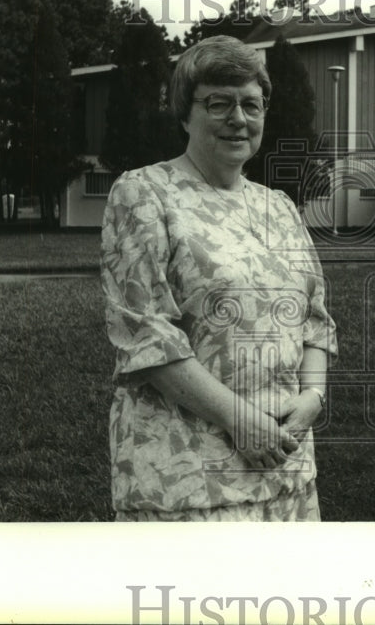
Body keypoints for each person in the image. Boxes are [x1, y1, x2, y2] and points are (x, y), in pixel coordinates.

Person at [100, 35, 337, 521]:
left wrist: (314, 396)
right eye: (218, 103)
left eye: (251, 105)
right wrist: (237, 418)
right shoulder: (144, 194)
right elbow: (146, 336)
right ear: (185, 113)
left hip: (286, 467)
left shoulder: (280, 208)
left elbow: (315, 321)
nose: (238, 118)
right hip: (187, 474)